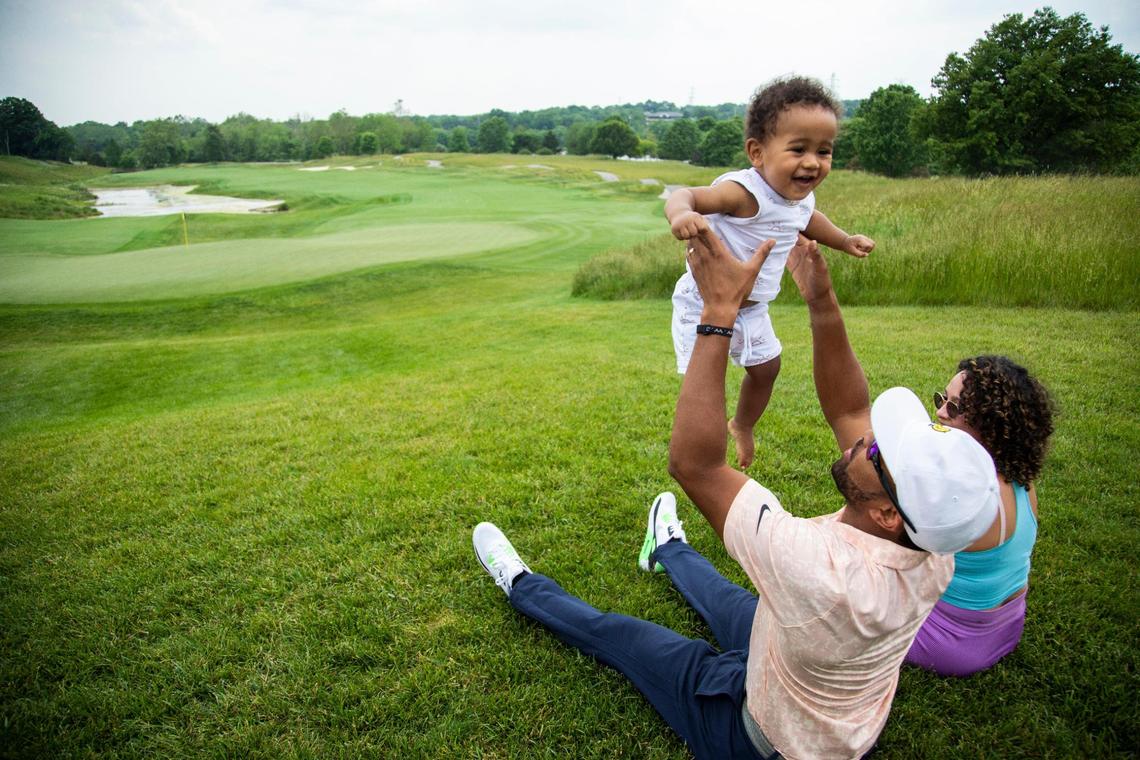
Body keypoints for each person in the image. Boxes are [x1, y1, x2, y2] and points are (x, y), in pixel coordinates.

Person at [472, 231, 1000, 759]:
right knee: (727, 598)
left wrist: (718, 310)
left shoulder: (817, 568)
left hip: (753, 737)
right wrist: (820, 298)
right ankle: (667, 548)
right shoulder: (937, 540)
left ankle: (522, 586)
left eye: (880, 453)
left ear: (886, 512)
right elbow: (849, 412)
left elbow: (696, 465)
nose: (866, 441)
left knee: (622, 636)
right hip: (819, 684)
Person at [666, 76, 875, 469]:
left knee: (767, 369)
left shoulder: (799, 199)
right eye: (798, 149)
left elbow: (810, 219)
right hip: (706, 303)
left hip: (753, 308)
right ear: (757, 152)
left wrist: (844, 240)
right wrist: (682, 213)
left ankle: (742, 424)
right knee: (705, 382)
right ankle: (707, 453)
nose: (813, 162)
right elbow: (686, 194)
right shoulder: (743, 193)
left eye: (824, 151)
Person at [904, 355, 1054, 676]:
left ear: (991, 425)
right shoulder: (1021, 479)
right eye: (942, 399)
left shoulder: (965, 496)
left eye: (955, 408)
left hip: (952, 644)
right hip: (1007, 627)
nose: (941, 412)